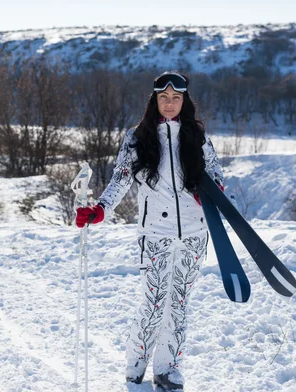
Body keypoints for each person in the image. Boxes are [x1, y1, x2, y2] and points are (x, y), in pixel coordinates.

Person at [75, 71, 225, 391]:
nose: (169, 104)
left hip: (195, 233)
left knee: (179, 302)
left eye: (176, 98)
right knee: (155, 301)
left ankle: (168, 369)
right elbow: (121, 180)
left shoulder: (197, 137)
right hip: (155, 232)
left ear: (184, 101)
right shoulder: (137, 138)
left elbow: (217, 178)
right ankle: (136, 365)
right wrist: (100, 209)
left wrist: (216, 198)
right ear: (154, 100)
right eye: (163, 98)